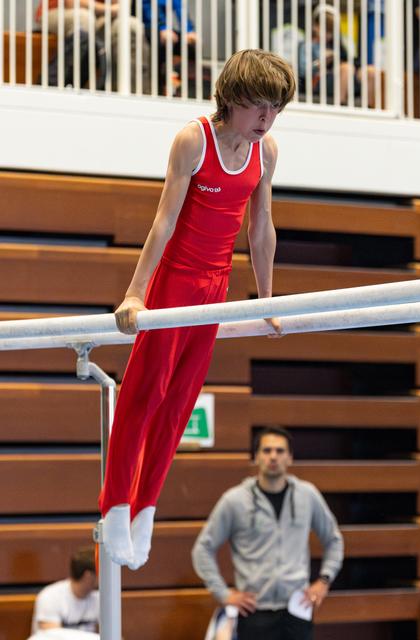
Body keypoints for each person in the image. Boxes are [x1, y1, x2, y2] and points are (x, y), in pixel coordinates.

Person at [98, 49, 296, 570]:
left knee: (180, 404)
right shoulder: (194, 140)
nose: (267, 120)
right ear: (231, 99)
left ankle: (145, 508)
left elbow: (260, 230)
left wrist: (267, 299)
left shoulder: (266, 151)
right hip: (173, 284)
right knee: (145, 394)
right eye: (259, 108)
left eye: (275, 110)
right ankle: (116, 505)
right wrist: (136, 293)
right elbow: (162, 221)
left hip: (215, 288)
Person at [192, 427, 344, 640]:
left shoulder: (307, 495)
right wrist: (223, 593)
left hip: (296, 610)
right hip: (253, 611)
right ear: (256, 456)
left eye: (280, 451)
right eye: (267, 450)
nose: (273, 456)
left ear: (289, 457)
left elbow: (334, 540)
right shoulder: (234, 501)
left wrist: (324, 581)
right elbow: (203, 549)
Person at [35, 0, 149, 93]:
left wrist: (101, 8)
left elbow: (122, 7)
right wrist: (109, 9)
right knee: (84, 19)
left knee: (130, 26)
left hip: (100, 16)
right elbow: (72, 3)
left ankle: (127, 96)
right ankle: (60, 90)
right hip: (58, 10)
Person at [298, 3, 376, 107]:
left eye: (330, 31)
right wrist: (321, 62)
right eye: (324, 29)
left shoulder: (337, 46)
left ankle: (369, 108)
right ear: (315, 26)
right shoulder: (306, 46)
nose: (327, 34)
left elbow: (349, 59)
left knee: (370, 71)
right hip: (317, 81)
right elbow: (303, 72)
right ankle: (340, 105)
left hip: (341, 77)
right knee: (346, 69)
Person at [31, 547, 99, 634]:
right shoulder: (50, 597)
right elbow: (52, 637)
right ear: (88, 576)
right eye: (101, 572)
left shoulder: (99, 598)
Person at [140, 0, 197, 95]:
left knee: (190, 48)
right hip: (147, 25)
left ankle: (186, 92)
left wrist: (189, 31)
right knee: (159, 46)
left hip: (163, 29)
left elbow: (180, 8)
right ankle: (158, 91)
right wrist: (162, 27)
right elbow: (147, 8)